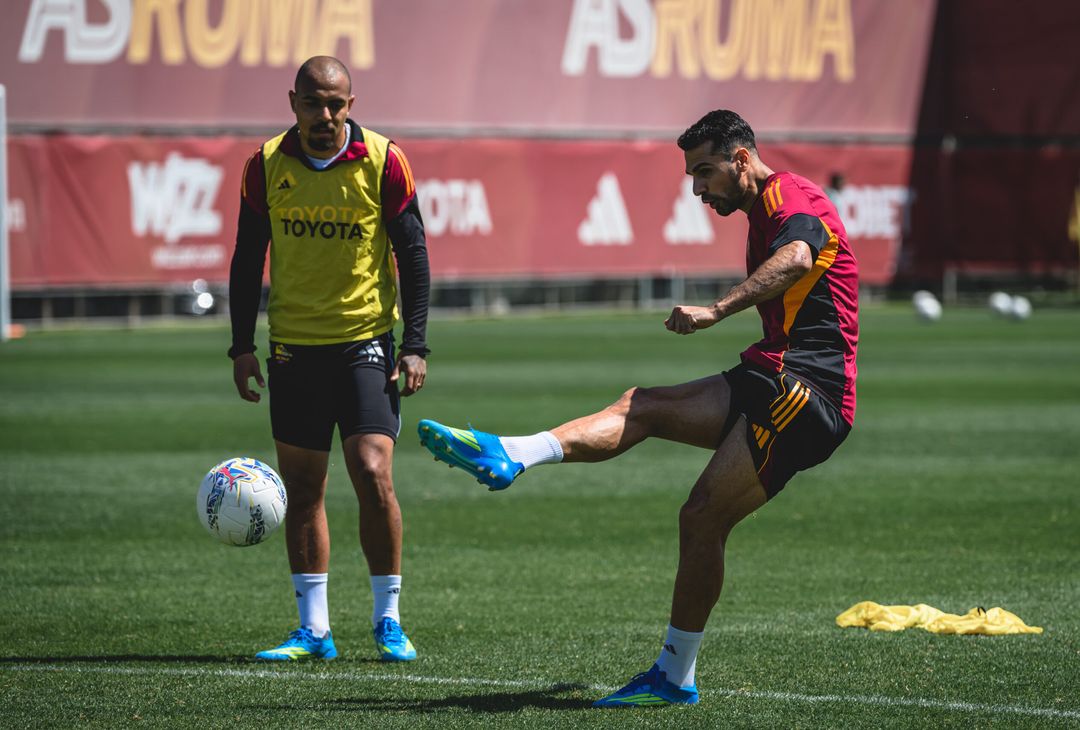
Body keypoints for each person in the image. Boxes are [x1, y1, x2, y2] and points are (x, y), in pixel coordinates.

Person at [418, 110, 858, 707]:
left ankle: (674, 677)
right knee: (643, 405)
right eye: (691, 176)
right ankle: (513, 453)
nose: (698, 188)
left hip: (807, 394)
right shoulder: (762, 209)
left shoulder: (790, 195)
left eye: (705, 172)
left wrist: (717, 309)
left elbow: (800, 258)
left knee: (702, 517)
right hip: (772, 376)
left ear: (742, 159)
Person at [229, 55, 430, 663]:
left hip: (365, 342)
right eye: (313, 103)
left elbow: (414, 254)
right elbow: (246, 259)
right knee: (304, 488)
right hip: (292, 346)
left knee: (372, 470)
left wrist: (416, 344)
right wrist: (241, 346)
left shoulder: (383, 160)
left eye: (336, 104)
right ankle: (314, 631)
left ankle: (388, 619)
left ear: (352, 102)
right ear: (293, 101)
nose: (325, 115)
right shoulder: (265, 165)